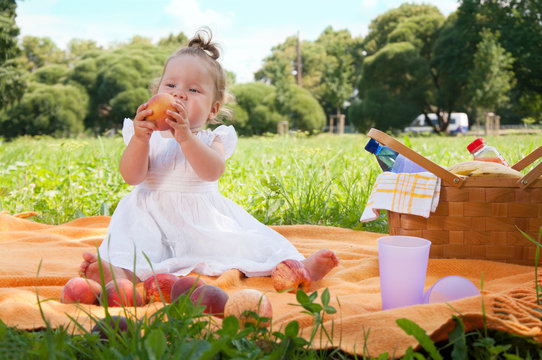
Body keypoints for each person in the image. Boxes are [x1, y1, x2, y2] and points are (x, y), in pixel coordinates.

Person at [80, 29, 338, 285]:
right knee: (135, 250)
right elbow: (131, 176)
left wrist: (186, 138)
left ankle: (294, 266)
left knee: (244, 243)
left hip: (199, 224)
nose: (179, 94)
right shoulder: (146, 137)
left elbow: (212, 171)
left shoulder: (212, 139)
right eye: (170, 86)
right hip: (148, 222)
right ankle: (120, 273)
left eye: (193, 90)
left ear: (213, 110)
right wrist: (139, 140)